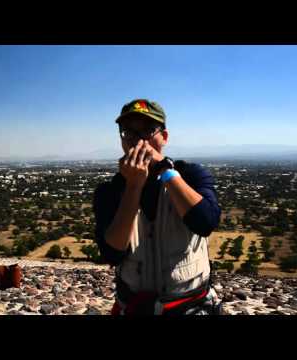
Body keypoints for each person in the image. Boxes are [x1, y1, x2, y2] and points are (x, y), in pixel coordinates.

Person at [93, 99, 222, 315]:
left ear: (164, 136)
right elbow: (112, 253)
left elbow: (205, 221)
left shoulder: (191, 175)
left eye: (148, 130)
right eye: (129, 132)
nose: (139, 140)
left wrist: (166, 170)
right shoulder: (110, 191)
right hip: (135, 306)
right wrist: (133, 186)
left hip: (189, 306)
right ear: (122, 140)